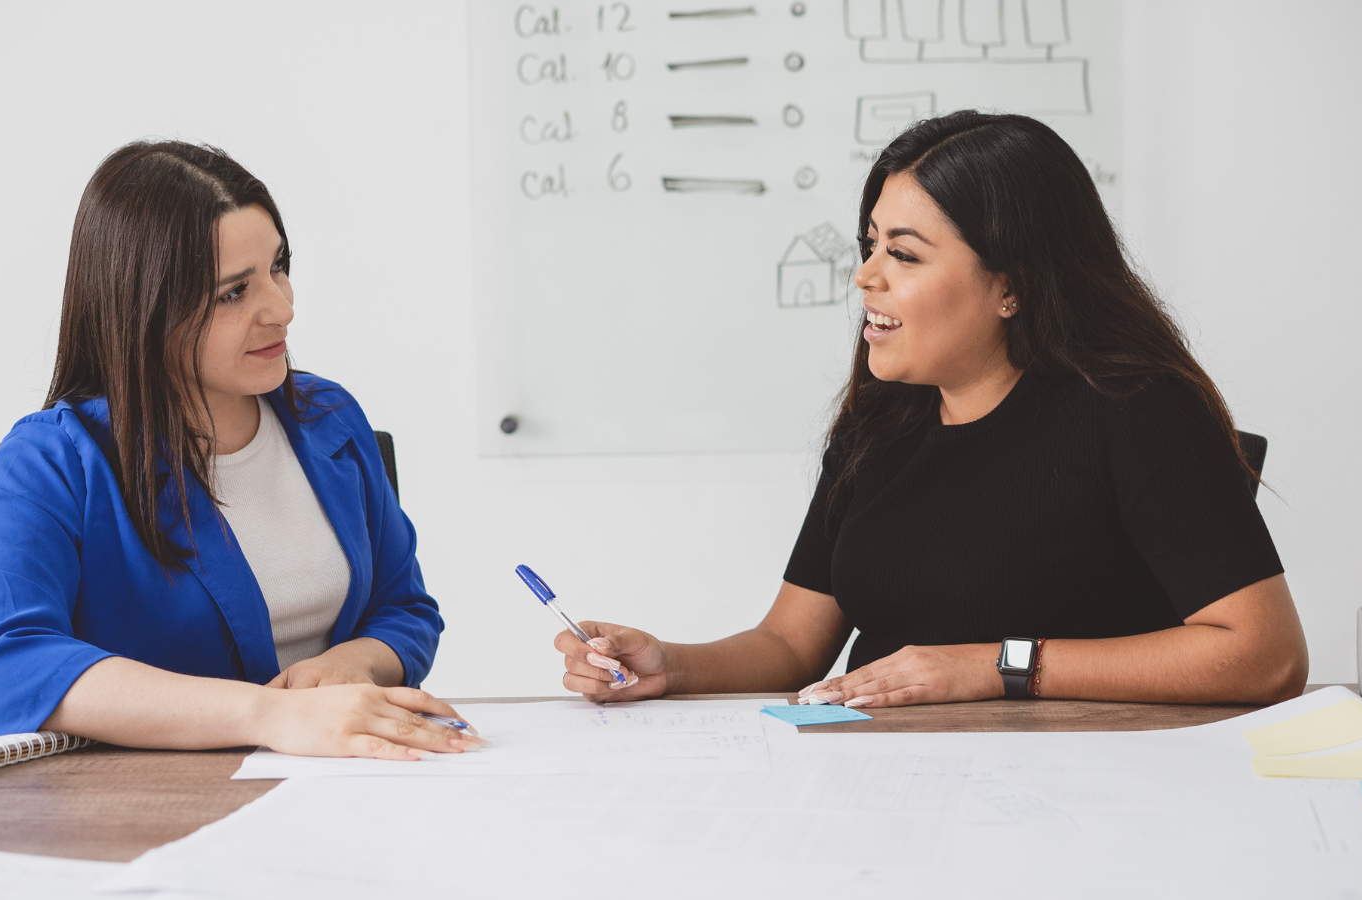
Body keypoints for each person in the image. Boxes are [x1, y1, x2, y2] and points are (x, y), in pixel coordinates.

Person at [559, 111, 1309, 708]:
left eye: (905, 255)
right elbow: (791, 645)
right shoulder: (881, 422)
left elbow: (1265, 655)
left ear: (1011, 285)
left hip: (1077, 794)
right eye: (870, 244)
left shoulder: (1138, 413)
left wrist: (997, 667)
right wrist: (669, 666)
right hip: (886, 782)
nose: (864, 276)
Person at [0, 141, 479, 760]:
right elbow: (0, 662)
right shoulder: (50, 463)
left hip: (339, 790)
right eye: (234, 292)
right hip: (150, 812)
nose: (282, 308)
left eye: (279, 266)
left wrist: (353, 663)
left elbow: (404, 607)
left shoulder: (330, 416)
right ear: (145, 308)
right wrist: (270, 715)